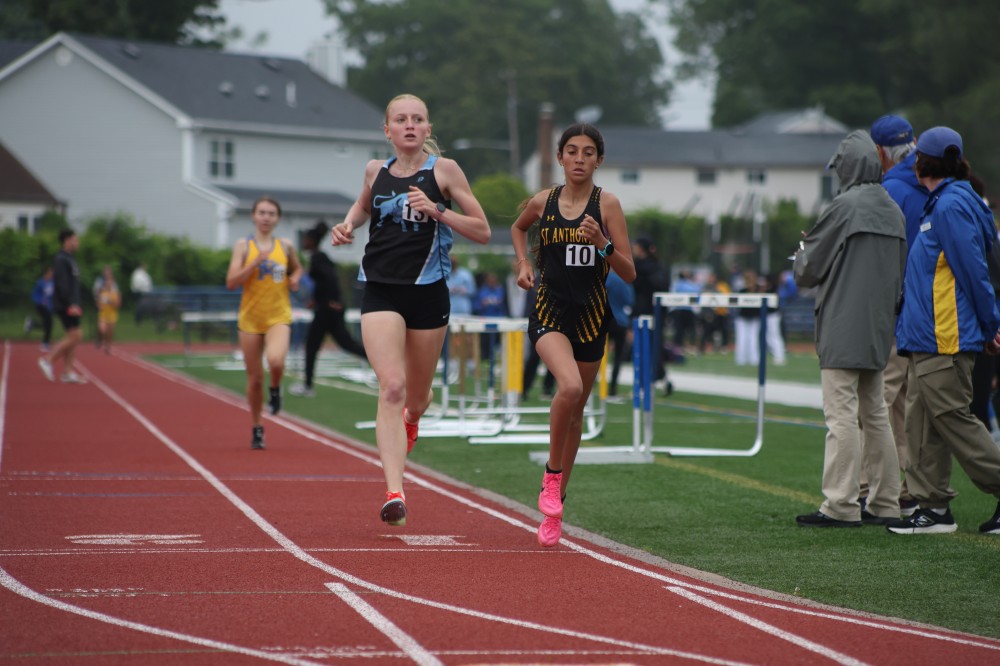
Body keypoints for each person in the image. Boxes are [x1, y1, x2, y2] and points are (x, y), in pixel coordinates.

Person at [330, 93, 490, 527]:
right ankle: (394, 492)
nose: (409, 125)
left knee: (416, 397)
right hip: (380, 290)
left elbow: (482, 230)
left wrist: (438, 211)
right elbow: (363, 206)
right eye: (401, 120)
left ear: (427, 129)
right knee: (392, 386)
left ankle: (413, 417)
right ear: (387, 130)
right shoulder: (374, 170)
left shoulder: (445, 171)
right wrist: (347, 225)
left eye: (417, 119)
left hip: (428, 292)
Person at [512, 123, 636, 547]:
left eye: (587, 152)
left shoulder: (608, 205)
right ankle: (551, 475)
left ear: (599, 160)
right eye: (571, 151)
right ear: (560, 157)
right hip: (550, 311)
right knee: (568, 387)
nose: (579, 158)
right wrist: (523, 264)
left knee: (576, 411)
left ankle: (556, 505)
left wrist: (603, 243)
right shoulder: (543, 201)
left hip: (591, 316)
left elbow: (628, 272)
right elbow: (518, 228)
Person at [887, 127, 1000, 536]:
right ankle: (933, 507)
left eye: (917, 157)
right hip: (927, 335)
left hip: (944, 335)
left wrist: (990, 324)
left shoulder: (951, 205)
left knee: (954, 420)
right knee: (921, 424)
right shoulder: (946, 201)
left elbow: (974, 270)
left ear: (925, 163)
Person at [793, 129, 906, 528]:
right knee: (876, 415)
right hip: (879, 327)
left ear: (847, 167)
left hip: (842, 324)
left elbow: (808, 271)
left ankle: (841, 504)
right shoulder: (893, 209)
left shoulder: (843, 206)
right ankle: (886, 500)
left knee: (840, 415)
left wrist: (803, 249)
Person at [859, 114, 930, 517]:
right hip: (930, 309)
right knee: (906, 403)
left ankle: (871, 486)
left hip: (895, 309)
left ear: (880, 151)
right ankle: (906, 487)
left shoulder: (889, 190)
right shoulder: (934, 185)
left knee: (877, 402)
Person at [225, 196, 302, 450]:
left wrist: (295, 279)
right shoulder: (243, 246)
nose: (266, 217)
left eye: (271, 213)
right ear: (253, 216)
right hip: (250, 319)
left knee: (276, 360)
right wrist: (254, 263)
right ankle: (257, 427)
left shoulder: (285, 246)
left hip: (278, 316)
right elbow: (231, 282)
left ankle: (276, 388)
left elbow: (297, 269)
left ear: (277, 218)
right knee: (255, 378)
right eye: (262, 212)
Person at [289, 220, 367, 398]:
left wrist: (333, 300)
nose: (304, 242)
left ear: (312, 241)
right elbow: (324, 283)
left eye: (306, 239)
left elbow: (331, 279)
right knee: (346, 344)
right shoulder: (319, 257)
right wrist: (315, 300)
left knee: (312, 346)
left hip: (327, 311)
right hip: (327, 308)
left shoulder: (318, 258)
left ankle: (307, 386)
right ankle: (382, 362)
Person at [38, 229, 86, 384]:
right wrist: (71, 304)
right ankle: (48, 360)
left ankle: (67, 372)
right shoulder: (60, 259)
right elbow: (62, 284)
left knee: (74, 336)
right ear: (67, 240)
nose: (77, 242)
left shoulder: (70, 258)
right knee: (76, 336)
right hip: (65, 304)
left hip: (72, 303)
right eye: (75, 239)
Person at [630, 236, 668, 384]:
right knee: (653, 345)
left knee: (644, 347)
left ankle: (649, 379)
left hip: (645, 310)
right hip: (654, 310)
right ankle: (657, 375)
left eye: (635, 246)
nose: (633, 249)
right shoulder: (658, 266)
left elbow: (635, 288)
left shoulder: (640, 267)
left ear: (641, 248)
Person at [605, 268, 634, 397]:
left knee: (596, 353)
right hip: (621, 321)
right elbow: (630, 302)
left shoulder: (609, 278)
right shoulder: (626, 281)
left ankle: (591, 383)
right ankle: (613, 388)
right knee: (618, 357)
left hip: (606, 319)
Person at [698, 270, 730, 353]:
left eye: (713, 277)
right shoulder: (705, 287)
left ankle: (716, 347)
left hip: (714, 313)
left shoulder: (716, 287)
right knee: (706, 331)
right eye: (711, 277)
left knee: (718, 331)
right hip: (706, 313)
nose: (712, 279)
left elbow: (719, 299)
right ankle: (702, 347)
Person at [94, 265, 121, 353]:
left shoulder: (115, 292)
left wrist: (110, 302)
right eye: (107, 282)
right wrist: (99, 305)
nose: (108, 283)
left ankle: (108, 345)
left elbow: (117, 304)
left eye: (110, 282)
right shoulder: (101, 289)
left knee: (110, 333)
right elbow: (98, 299)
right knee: (102, 329)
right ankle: (100, 339)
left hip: (112, 315)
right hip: (103, 314)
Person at [29, 266, 54, 351]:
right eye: (50, 273)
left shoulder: (52, 283)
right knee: (49, 323)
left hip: (49, 306)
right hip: (41, 306)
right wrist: (40, 302)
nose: (51, 274)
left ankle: (32, 324)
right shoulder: (40, 282)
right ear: (46, 273)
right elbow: (35, 294)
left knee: (47, 324)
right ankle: (45, 343)